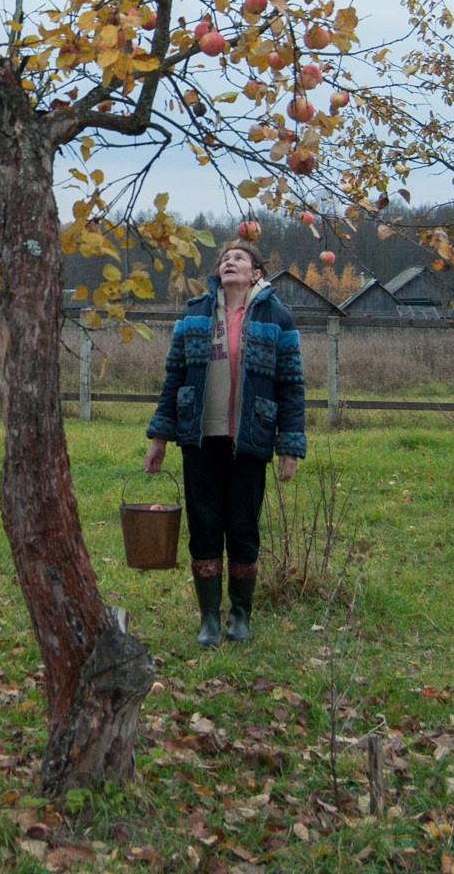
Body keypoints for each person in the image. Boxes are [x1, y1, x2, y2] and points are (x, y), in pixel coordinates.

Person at [143, 239, 305, 646]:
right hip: (199, 438)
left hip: (251, 438)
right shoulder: (195, 314)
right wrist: (160, 436)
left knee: (242, 527)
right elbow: (174, 376)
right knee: (204, 526)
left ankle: (240, 615)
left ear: (257, 272)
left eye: (240, 258)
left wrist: (289, 443)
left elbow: (291, 385)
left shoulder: (278, 317)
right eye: (225, 258)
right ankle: (209, 620)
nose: (230, 262)